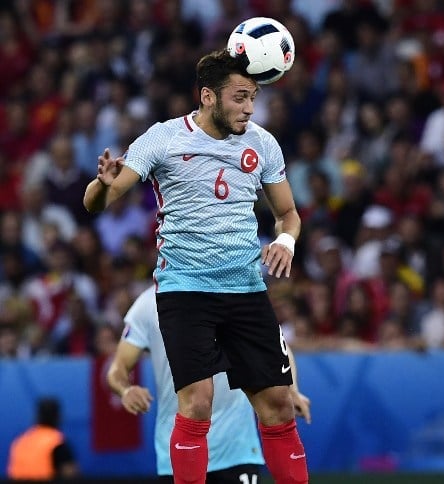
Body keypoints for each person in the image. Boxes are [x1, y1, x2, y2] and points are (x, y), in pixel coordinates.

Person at [83, 49, 307, 484]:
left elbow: (289, 215)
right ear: (208, 96)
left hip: (245, 290)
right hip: (185, 290)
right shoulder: (163, 139)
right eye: (240, 97)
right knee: (198, 401)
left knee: (278, 405)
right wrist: (100, 185)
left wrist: (285, 240)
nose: (249, 108)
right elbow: (100, 201)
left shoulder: (262, 144)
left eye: (253, 98)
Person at [107, 286, 312, 483]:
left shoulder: (236, 288)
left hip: (235, 448)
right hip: (179, 451)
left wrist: (292, 390)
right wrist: (125, 390)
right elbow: (117, 369)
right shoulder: (147, 304)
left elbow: (273, 344)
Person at [7, 397, 79, 480]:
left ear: (37, 416)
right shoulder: (57, 443)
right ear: (58, 417)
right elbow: (70, 475)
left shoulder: (20, 442)